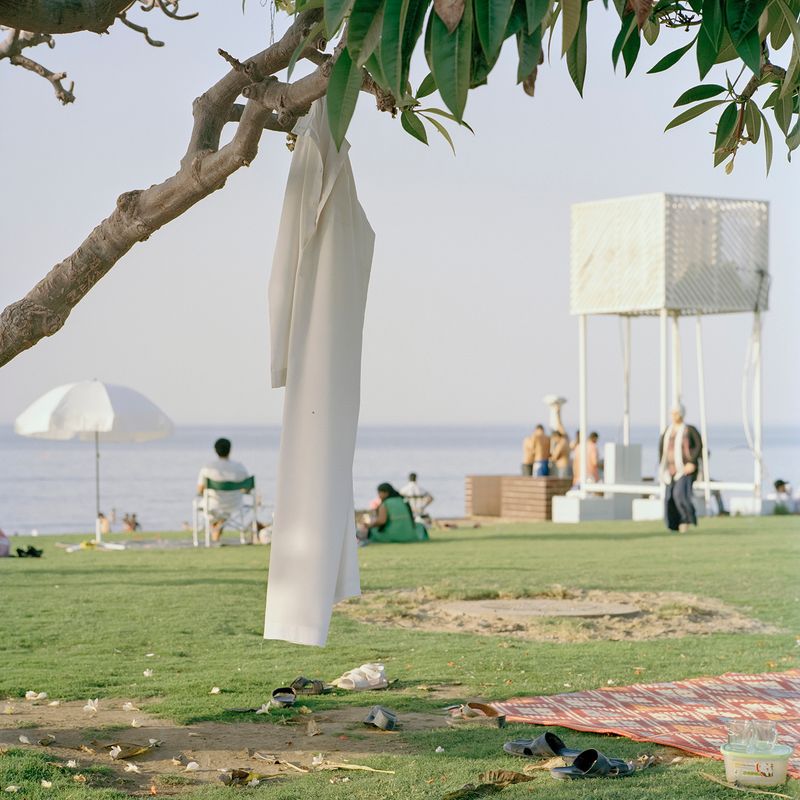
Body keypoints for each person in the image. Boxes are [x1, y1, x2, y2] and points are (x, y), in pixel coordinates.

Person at [196, 437, 253, 543]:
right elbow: (248, 488)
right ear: (230, 450)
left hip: (213, 504)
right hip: (235, 504)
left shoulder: (208, 467)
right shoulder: (239, 467)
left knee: (207, 507)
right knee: (221, 512)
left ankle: (216, 527)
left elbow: (200, 490)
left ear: (215, 450)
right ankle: (218, 526)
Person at [659, 404, 703, 533]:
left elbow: (699, 446)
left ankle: (686, 520)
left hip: (685, 470)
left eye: (676, 413)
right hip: (670, 471)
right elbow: (662, 450)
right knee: (669, 498)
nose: (674, 416)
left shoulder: (689, 430)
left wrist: (692, 462)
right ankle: (672, 525)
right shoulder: (668, 431)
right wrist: (663, 468)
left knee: (680, 495)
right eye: (672, 413)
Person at [358, 483, 429, 544]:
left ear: (386, 493)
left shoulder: (386, 503)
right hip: (409, 534)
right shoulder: (402, 500)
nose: (379, 496)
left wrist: (369, 525)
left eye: (379, 493)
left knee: (368, 531)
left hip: (394, 534)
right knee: (420, 525)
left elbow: (381, 521)